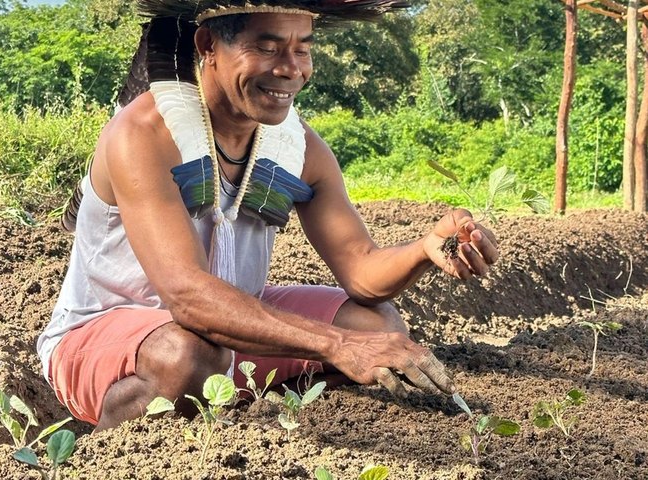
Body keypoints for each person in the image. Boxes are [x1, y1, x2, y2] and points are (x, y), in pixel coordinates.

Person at [37, 0, 499, 432]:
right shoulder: (142, 134)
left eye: (302, 49)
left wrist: (424, 250)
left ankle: (255, 426)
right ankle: (108, 449)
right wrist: (338, 345)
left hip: (229, 331)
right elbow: (188, 297)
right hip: (113, 335)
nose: (291, 69)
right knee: (190, 354)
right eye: (267, 47)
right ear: (208, 47)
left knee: (377, 326)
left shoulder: (302, 149)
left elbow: (360, 269)